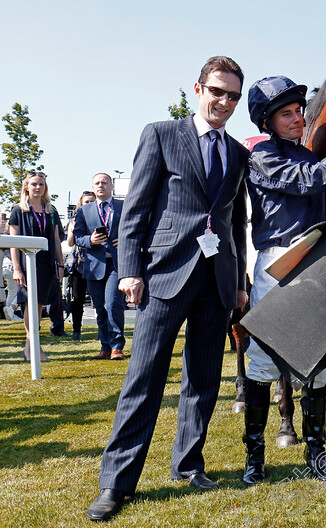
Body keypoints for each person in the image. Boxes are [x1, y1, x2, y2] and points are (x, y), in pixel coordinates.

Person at [86, 56, 249, 522]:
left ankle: (189, 464)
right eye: (217, 91)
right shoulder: (160, 133)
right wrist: (130, 270)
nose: (224, 101)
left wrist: (238, 284)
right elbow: (135, 208)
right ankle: (116, 482)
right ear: (198, 89)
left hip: (216, 279)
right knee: (144, 378)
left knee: (203, 377)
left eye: (233, 95)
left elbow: (235, 222)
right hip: (163, 274)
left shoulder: (238, 153)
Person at [239, 75, 326, 484]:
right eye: (287, 114)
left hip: (314, 260)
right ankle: (255, 460)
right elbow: (310, 182)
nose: (298, 119)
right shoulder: (262, 155)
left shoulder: (305, 154)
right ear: (268, 120)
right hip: (276, 264)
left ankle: (316, 455)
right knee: (262, 362)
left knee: (316, 361)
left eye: (300, 111)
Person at [8, 171, 64, 362]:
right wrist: (16, 268)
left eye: (41, 184)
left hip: (46, 263)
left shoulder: (51, 210)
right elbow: (13, 241)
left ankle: (30, 347)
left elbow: (56, 240)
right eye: (34, 184)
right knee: (28, 304)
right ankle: (33, 347)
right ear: (27, 187)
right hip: (26, 262)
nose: (38, 187)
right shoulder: (18, 210)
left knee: (39, 305)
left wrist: (60, 264)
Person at [74, 173, 126, 359]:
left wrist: (126, 240)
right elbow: (77, 237)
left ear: (112, 186)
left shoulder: (123, 206)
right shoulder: (84, 210)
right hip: (94, 265)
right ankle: (105, 346)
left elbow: (136, 228)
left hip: (117, 264)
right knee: (100, 308)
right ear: (93, 186)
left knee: (113, 304)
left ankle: (117, 346)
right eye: (97, 183)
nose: (100, 186)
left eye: (104, 182)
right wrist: (91, 239)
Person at [66, 190, 96, 341]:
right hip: (79, 264)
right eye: (86, 202)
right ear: (81, 204)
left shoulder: (100, 218)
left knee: (99, 299)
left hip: (97, 263)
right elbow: (70, 242)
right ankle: (76, 330)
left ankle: (103, 331)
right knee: (77, 299)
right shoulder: (76, 220)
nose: (89, 204)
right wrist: (73, 228)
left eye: (92, 201)